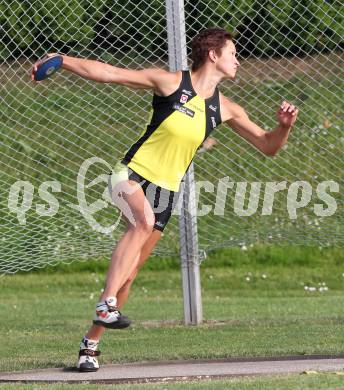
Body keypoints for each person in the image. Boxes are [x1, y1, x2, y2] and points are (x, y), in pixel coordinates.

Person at [32, 27, 298, 372]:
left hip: (165, 192)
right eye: (233, 53)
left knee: (129, 275)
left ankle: (90, 344)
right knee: (141, 223)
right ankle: (105, 306)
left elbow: (268, 146)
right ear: (213, 55)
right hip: (131, 175)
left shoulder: (227, 108)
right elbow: (111, 73)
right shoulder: (171, 83)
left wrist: (284, 127)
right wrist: (63, 60)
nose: (238, 59)